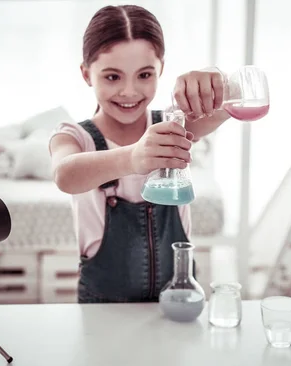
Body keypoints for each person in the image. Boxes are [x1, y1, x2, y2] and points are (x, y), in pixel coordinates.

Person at [48, 4, 231, 303]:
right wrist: (133, 158)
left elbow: (229, 105)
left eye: (145, 74)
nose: (130, 92)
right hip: (103, 307)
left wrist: (216, 78)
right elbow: (65, 175)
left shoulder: (176, 123)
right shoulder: (74, 136)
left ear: (161, 69)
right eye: (112, 77)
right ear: (86, 74)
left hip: (178, 301)